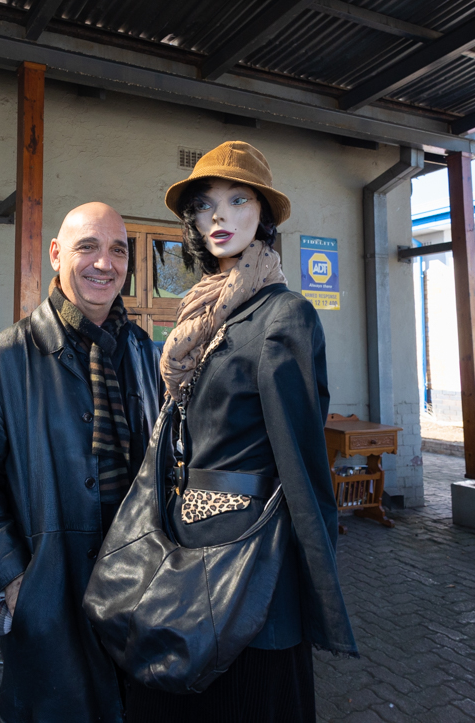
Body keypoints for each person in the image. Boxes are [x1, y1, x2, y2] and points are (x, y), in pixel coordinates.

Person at [123, 142, 357, 722]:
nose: (220, 217)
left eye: (238, 200)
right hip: (183, 547)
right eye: (205, 206)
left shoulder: (285, 315)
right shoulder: (201, 314)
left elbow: (302, 461)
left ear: (264, 216)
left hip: (252, 562)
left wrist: (313, 578)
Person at [0, 202, 163, 723]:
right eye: (87, 246)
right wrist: (13, 578)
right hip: (52, 590)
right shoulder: (4, 357)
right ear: (55, 255)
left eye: (118, 250)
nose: (104, 263)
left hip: (140, 584)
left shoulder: (141, 351)